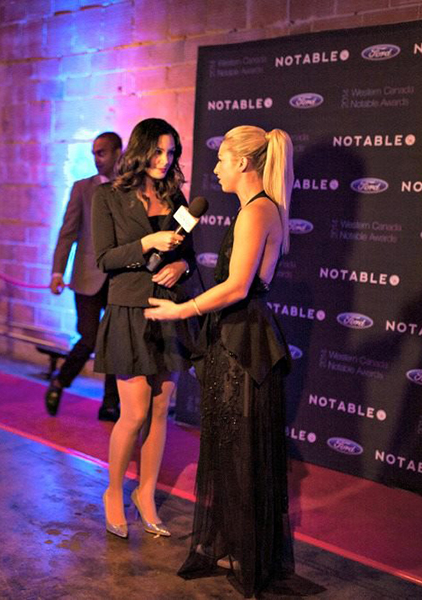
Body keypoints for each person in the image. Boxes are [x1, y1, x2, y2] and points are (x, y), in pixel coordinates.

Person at [145, 125, 295, 597]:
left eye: (223, 160)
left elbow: (235, 287)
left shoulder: (256, 212)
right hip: (237, 335)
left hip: (242, 340)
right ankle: (238, 547)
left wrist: (180, 309)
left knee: (240, 451)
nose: (215, 169)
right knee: (233, 449)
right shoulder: (260, 209)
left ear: (244, 164)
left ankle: (246, 556)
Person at [93, 118, 196, 539]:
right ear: (140, 151)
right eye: (157, 151)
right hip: (129, 311)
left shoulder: (176, 197)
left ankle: (147, 492)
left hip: (168, 310)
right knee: (133, 413)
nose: (164, 160)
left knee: (160, 411)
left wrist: (181, 264)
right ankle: (114, 491)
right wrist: (147, 245)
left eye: (171, 153)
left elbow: (192, 254)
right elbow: (103, 258)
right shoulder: (108, 197)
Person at [45, 131, 122, 421]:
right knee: (90, 338)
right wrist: (57, 272)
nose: (96, 158)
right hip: (87, 277)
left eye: (101, 152)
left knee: (115, 341)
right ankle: (60, 381)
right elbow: (67, 233)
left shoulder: (129, 188)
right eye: (93, 152)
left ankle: (110, 403)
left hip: (117, 279)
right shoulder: (81, 188)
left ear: (118, 153)